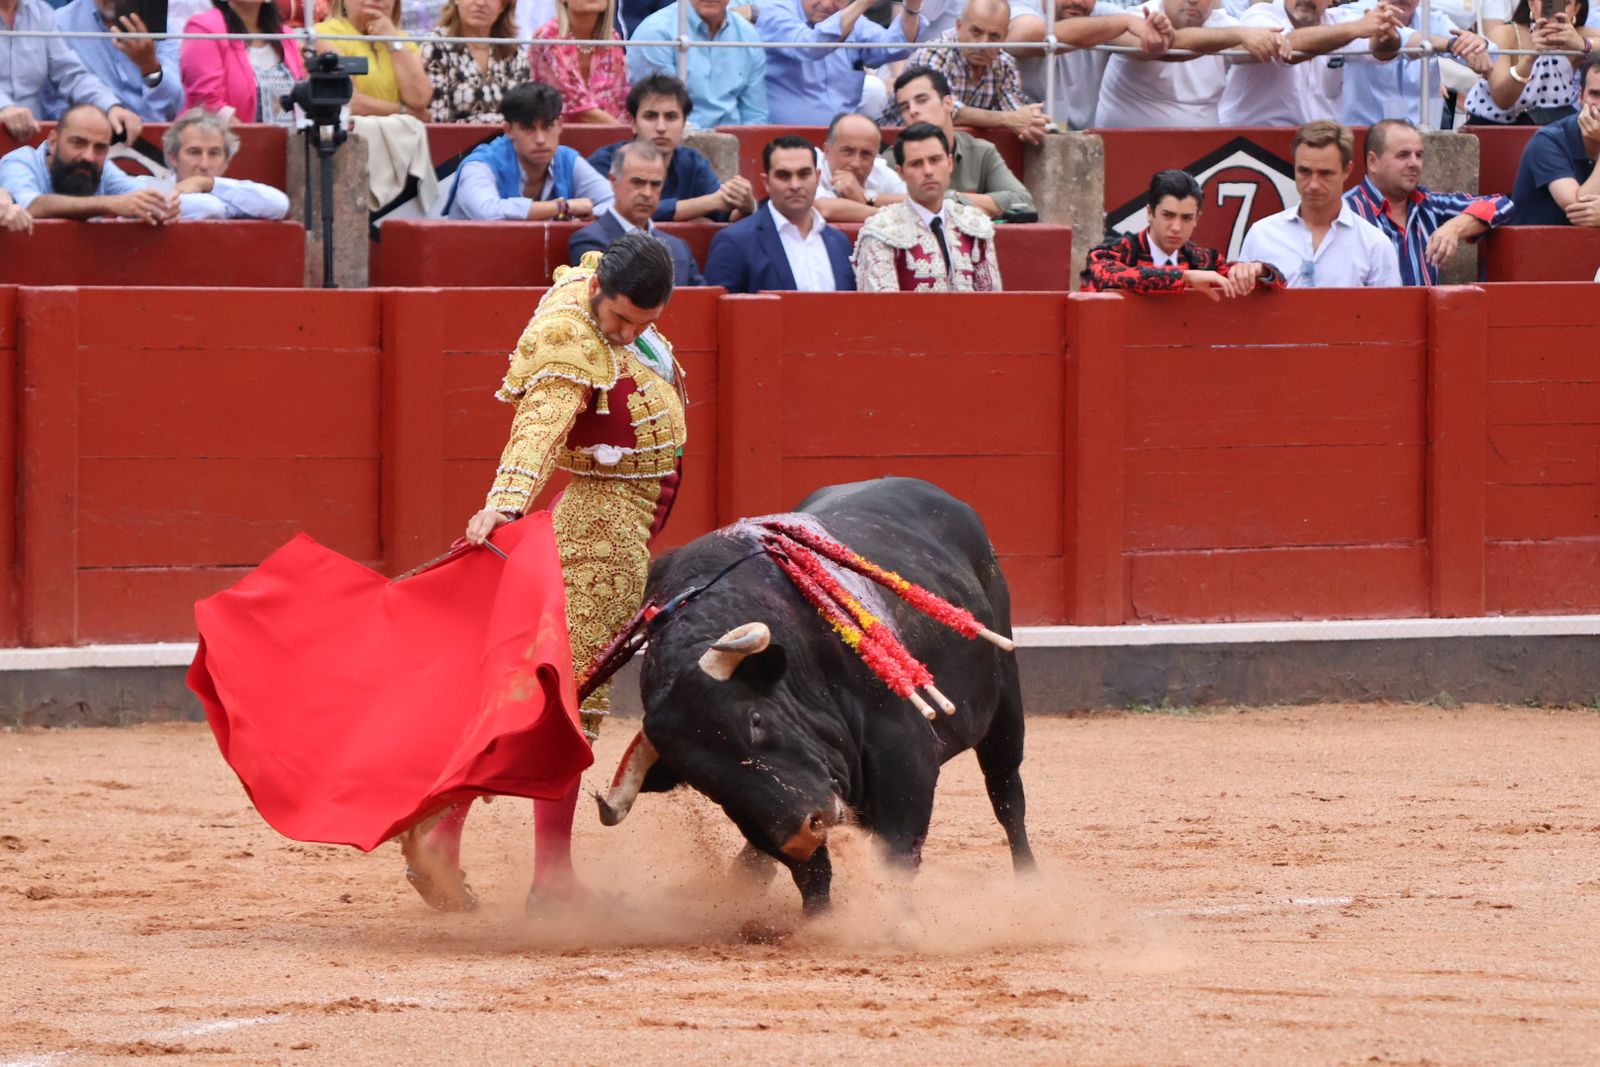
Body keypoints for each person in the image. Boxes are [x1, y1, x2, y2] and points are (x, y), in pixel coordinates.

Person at [405, 233, 689, 913]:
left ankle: (445, 836)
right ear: (599, 293)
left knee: (545, 686)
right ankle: (549, 875)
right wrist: (502, 505)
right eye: (620, 319)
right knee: (574, 696)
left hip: (614, 510)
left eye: (642, 325)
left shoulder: (601, 289)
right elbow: (539, 426)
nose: (626, 335)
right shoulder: (572, 336)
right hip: (602, 520)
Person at [1343, 118, 1513, 285]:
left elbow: (1502, 204)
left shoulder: (1427, 203)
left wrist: (1454, 227)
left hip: (1429, 312)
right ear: (1373, 162)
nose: (1414, 163)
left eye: (1419, 155)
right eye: (1403, 155)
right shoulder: (1346, 211)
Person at [1238, 120, 1401, 288]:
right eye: (1304, 171)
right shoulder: (1261, 234)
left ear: (1347, 171)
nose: (1314, 184)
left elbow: (1389, 312)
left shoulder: (1375, 245)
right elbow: (1241, 308)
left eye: (1325, 173)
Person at [1091, 0, 1291, 128]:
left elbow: (1273, 47)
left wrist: (1274, 41)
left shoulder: (1223, 24)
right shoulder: (1137, 17)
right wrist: (1238, 35)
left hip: (1201, 157)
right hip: (1126, 151)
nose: (1192, 1)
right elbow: (1159, 48)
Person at [1083, 169, 1285, 296]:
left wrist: (1258, 271)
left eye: (1186, 218)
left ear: (1197, 219)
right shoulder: (1117, 251)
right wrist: (1185, 277)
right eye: (1168, 215)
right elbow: (1105, 275)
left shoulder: (1203, 261)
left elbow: (1279, 283)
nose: (1177, 227)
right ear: (1150, 213)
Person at [854, 122, 1002, 291]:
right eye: (916, 163)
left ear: (949, 163)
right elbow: (884, 312)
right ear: (900, 173)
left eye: (935, 160)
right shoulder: (880, 231)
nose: (928, 171)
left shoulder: (974, 226)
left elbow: (991, 304)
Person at [588, 75, 756, 222]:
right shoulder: (607, 161)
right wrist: (709, 203)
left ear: (683, 124)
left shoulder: (692, 163)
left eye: (671, 117)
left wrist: (744, 207)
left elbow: (726, 216)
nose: (661, 127)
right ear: (633, 124)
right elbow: (617, 211)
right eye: (650, 116)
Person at [1215, 0, 1409, 128]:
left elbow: (1381, 53)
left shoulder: (1338, 20)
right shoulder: (1260, 14)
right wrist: (1356, 28)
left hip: (1315, 142)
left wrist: (1386, 33)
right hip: (1251, 139)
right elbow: (1287, 49)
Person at [704, 134, 856, 292]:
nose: (795, 185)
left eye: (804, 174)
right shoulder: (735, 242)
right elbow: (719, 312)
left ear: (817, 178)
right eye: (784, 175)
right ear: (766, 183)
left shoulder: (839, 242)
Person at [444, 80, 613, 219]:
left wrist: (593, 215)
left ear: (560, 125)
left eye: (547, 127)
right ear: (508, 130)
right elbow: (489, 213)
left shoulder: (567, 159)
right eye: (528, 129)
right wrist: (562, 206)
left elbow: (616, 202)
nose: (540, 139)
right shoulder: (479, 165)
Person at [887, 0, 1046, 144]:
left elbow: (1016, 113)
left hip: (961, 151)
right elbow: (943, 112)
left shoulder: (1004, 63)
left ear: (1005, 36)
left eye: (994, 36)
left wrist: (1033, 120)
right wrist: (1008, 119)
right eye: (976, 32)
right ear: (958, 26)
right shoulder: (934, 54)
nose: (983, 44)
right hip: (901, 147)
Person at [889, 66, 1034, 219]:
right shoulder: (893, 157)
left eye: (922, 100)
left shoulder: (981, 152)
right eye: (905, 107)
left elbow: (1023, 203)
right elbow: (877, 202)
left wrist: (951, 198)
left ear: (948, 104)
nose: (912, 111)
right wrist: (976, 207)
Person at [1004, 0, 1173, 132]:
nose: (1078, 1)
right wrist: (1122, 23)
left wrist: (1160, 33)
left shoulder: (1103, 13)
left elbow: (1148, 44)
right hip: (1022, 129)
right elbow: (1029, 37)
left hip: (1083, 133)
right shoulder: (1023, 6)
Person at [0, 102, 177, 223]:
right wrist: (109, 203)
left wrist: (166, 206)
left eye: (100, 148)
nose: (89, 156)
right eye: (78, 143)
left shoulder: (100, 168)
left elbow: (139, 197)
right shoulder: (20, 162)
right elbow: (30, 205)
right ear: (53, 142)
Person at [758, 0, 923, 125]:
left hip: (843, 141)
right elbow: (810, 46)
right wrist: (864, 2)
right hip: (789, 145)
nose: (827, 4)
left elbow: (897, 46)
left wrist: (912, 7)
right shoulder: (776, 13)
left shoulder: (853, 22)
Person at [0, 0, 145, 142]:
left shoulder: (40, 12)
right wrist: (4, 107)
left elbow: (71, 75)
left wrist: (112, 107)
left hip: (30, 143)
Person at [1337, 0, 1492, 127]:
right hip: (1364, 140)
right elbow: (1400, 37)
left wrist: (1477, 43)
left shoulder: (1434, 20)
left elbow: (1494, 55)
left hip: (1422, 143)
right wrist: (1449, 44)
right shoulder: (1351, 14)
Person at [569, 141, 705, 284]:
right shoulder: (590, 242)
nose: (647, 193)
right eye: (637, 182)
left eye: (655, 184)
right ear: (613, 181)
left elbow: (703, 300)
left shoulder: (679, 247)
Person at [627, 0, 768, 126]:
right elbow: (660, 118)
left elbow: (755, 115)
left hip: (735, 146)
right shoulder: (655, 34)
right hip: (674, 147)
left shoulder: (747, 35)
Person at [43, 0, 184, 122]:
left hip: (151, 137)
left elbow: (175, 105)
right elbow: (52, 104)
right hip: (89, 136)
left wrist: (150, 67)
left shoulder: (158, 26)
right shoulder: (60, 24)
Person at [1464, 0, 1597, 125]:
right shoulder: (1505, 34)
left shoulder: (1579, 37)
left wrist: (1585, 44)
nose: (1555, 11)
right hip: (1493, 126)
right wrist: (1531, 56)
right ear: (1531, 3)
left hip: (1547, 131)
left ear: (1576, 9)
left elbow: (1591, 42)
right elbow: (1502, 100)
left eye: (1565, 3)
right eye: (1547, 2)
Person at [181, 0, 307, 125]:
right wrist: (249, 140)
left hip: (289, 141)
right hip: (227, 141)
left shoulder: (285, 35)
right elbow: (208, 103)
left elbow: (303, 96)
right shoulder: (203, 28)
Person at [1508, 54, 1600, 224]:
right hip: (1536, 248)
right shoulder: (1548, 141)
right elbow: (1580, 212)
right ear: (1580, 96)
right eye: (1595, 94)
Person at [165, 107, 292, 220]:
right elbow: (210, 208)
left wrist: (207, 183)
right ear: (174, 158)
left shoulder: (226, 192)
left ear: (226, 161)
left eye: (214, 153)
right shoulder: (152, 191)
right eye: (194, 152)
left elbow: (280, 205)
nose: (204, 164)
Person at [314, 0, 433, 119]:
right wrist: (404, 112)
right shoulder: (322, 35)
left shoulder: (402, 40)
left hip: (398, 136)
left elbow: (420, 98)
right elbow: (347, 101)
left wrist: (393, 40)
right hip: (353, 135)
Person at [420, 0, 532, 122]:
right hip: (455, 140)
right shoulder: (436, 46)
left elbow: (525, 117)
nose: (480, 3)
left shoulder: (514, 50)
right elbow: (437, 122)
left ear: (503, 5)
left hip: (509, 140)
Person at [529, 0, 629, 123]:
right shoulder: (548, 37)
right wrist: (624, 134)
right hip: (556, 137)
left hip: (608, 137)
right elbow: (577, 109)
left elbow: (621, 102)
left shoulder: (613, 39)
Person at [815, 110, 907, 222]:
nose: (856, 163)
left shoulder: (879, 171)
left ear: (876, 156)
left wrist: (866, 196)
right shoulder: (811, 164)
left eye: (866, 154)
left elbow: (916, 203)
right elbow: (824, 209)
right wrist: (893, 216)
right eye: (847, 151)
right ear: (827, 151)